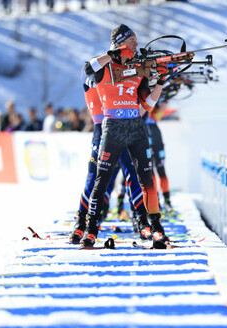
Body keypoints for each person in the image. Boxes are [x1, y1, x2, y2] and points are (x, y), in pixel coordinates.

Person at [80, 24, 169, 248]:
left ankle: (156, 228)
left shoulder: (137, 69)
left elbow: (147, 104)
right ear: (120, 43)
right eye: (132, 42)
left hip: (136, 126)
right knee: (102, 178)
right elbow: (87, 69)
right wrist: (113, 55)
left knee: (146, 179)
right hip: (113, 127)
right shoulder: (104, 66)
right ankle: (90, 229)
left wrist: (159, 83)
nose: (136, 46)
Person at [69, 75, 150, 244]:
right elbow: (87, 77)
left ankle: (142, 220)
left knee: (133, 176)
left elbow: (144, 106)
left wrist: (154, 80)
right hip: (104, 130)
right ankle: (83, 222)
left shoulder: (130, 76)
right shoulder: (100, 73)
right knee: (94, 178)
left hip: (128, 128)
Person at [144, 99, 173, 211]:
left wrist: (166, 98)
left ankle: (167, 201)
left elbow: (158, 116)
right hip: (145, 136)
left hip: (156, 136)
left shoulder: (154, 101)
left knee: (161, 169)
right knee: (150, 171)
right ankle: (155, 201)